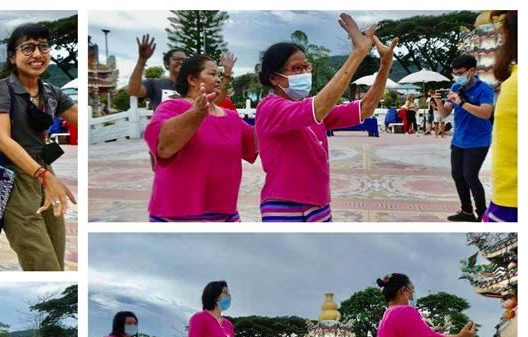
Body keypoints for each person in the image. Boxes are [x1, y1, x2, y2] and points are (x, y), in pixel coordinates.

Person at [255, 14, 397, 222]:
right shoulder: (270, 108)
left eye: (306, 67)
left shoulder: (309, 108)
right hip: (284, 204)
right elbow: (319, 108)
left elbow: (365, 108)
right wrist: (358, 53)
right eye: (296, 68)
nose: (304, 73)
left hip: (320, 203)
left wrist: (385, 65)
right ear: (274, 78)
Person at [0, 23, 77, 271]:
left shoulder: (52, 92)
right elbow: (2, 139)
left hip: (45, 174)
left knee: (56, 257)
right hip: (15, 178)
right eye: (28, 48)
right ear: (12, 57)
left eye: (43, 47)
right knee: (42, 263)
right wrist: (43, 176)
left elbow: (83, 118)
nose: (37, 54)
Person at [144, 55, 258, 222]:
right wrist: (196, 114)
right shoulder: (172, 107)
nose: (218, 79)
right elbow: (163, 148)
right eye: (212, 74)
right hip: (176, 213)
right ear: (192, 79)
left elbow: (257, 142)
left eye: (219, 75)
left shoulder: (232, 117)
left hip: (225, 212)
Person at [432, 54, 496, 222]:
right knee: (457, 175)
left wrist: (461, 103)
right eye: (455, 73)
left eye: (460, 72)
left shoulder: (484, 89)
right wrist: (438, 102)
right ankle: (466, 211)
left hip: (478, 141)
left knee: (470, 176)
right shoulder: (455, 87)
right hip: (459, 140)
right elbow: (445, 113)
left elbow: (486, 113)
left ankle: (482, 214)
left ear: (472, 71)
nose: (457, 76)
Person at [486, 10, 517, 222]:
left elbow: (486, 112)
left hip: (511, 201)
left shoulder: (513, 85)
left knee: (469, 178)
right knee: (462, 177)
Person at [127, 36, 187, 110]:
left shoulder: (194, 85)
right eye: (176, 59)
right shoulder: (155, 84)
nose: (181, 62)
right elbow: (133, 91)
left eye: (184, 60)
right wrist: (142, 59)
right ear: (166, 64)